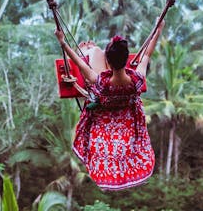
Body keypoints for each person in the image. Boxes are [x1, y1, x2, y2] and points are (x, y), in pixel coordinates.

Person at [54, 21, 164, 190]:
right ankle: (93, 51)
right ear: (127, 59)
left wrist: (63, 42)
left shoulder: (100, 82)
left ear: (109, 63)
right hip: (126, 120)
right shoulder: (137, 79)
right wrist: (159, 28)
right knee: (96, 52)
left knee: (94, 52)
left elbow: (79, 64)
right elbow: (148, 53)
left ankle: (92, 51)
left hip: (103, 122)